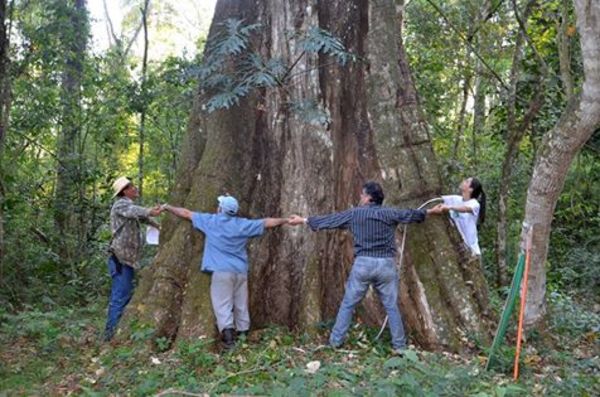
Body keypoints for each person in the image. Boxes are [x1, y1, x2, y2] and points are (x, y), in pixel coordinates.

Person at [288, 181, 445, 354]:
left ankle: (335, 342)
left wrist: (303, 220)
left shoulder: (355, 214)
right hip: (386, 265)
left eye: (362, 195)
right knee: (391, 306)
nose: (360, 197)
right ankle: (400, 347)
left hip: (364, 264)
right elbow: (411, 215)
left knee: (348, 304)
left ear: (369, 198)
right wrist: (432, 211)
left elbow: (331, 220)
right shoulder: (390, 213)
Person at [161, 195, 288, 349]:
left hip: (222, 272)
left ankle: (229, 342)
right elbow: (267, 222)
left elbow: (186, 213)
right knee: (241, 304)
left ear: (220, 209)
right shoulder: (242, 225)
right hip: (240, 272)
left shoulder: (211, 222)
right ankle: (243, 336)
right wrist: (286, 220)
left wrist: (168, 207)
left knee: (222, 306)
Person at [105, 176, 162, 341]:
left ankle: (116, 333)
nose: (135, 188)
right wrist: (150, 210)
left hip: (127, 260)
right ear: (124, 191)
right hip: (120, 259)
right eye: (132, 187)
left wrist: (157, 224)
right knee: (119, 297)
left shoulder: (129, 207)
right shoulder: (121, 204)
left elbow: (143, 217)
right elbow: (135, 211)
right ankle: (110, 336)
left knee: (124, 295)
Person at [440, 177, 486, 256]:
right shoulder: (455, 199)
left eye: (467, 181)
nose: (463, 181)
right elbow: (437, 199)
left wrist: (450, 207)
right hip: (460, 247)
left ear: (471, 189)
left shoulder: (474, 204)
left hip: (472, 251)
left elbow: (465, 209)